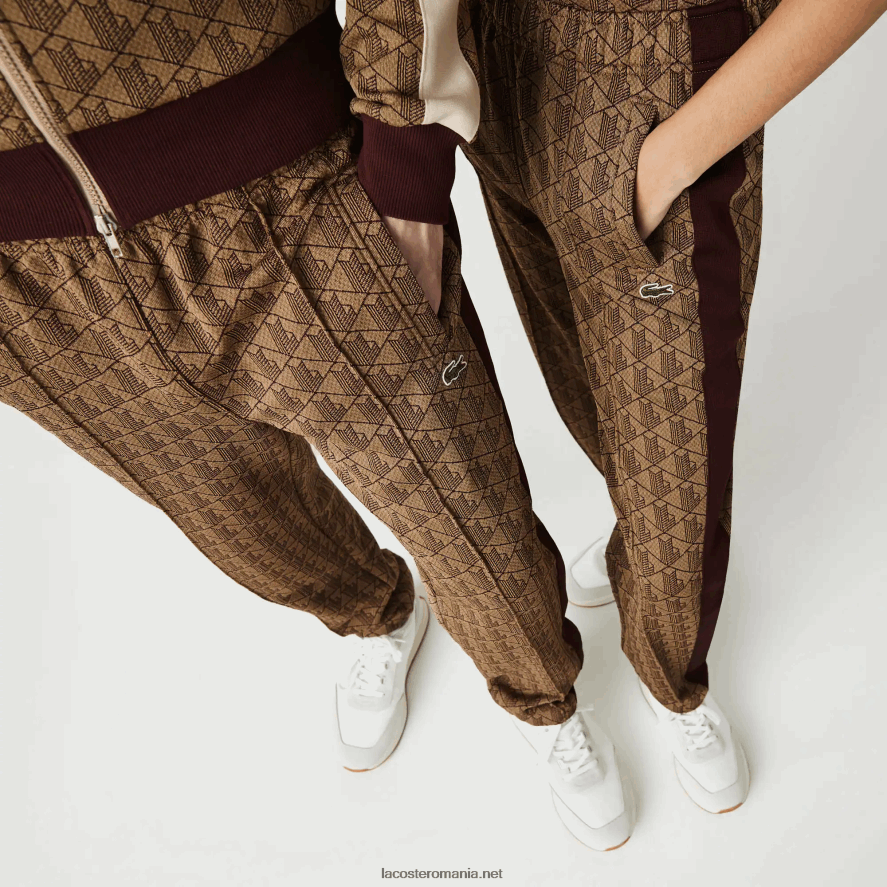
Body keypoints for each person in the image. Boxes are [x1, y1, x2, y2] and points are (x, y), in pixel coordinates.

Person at [0, 0, 883, 854]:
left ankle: (669, 678)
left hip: (389, 145)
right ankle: (473, 643)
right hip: (38, 284)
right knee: (256, 515)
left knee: (588, 477)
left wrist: (418, 152)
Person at [368, 0, 887, 850]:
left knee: (677, 453)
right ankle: (627, 554)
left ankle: (671, 677)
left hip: (652, 70)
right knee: (583, 379)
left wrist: (676, 152)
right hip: (493, 56)